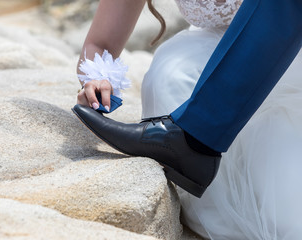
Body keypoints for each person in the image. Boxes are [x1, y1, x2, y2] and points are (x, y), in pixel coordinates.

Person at [73, 0, 302, 238]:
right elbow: (100, 42)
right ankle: (191, 142)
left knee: (288, 209)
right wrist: (97, 80)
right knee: (171, 77)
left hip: (289, 57)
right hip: (201, 57)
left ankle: (194, 141)